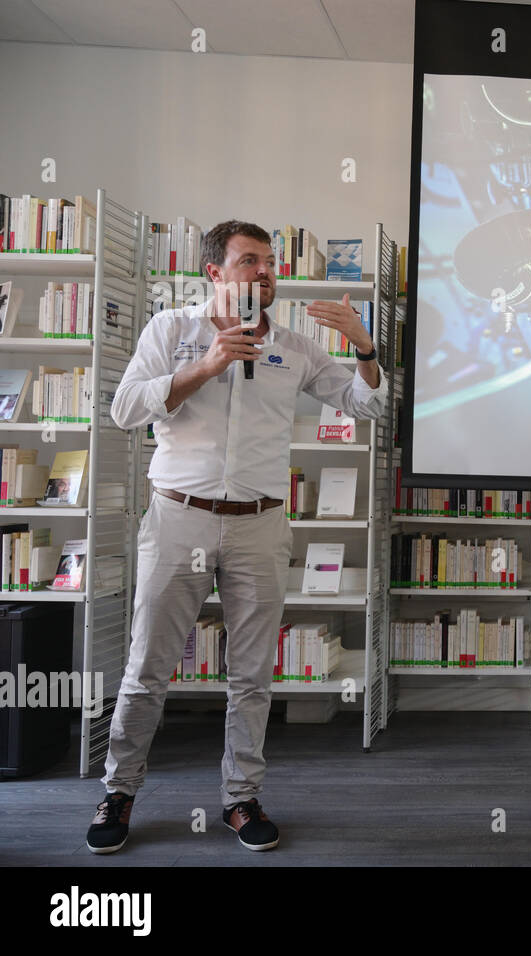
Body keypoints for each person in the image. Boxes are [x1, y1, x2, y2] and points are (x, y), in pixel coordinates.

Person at [87, 220, 388, 853]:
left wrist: (363, 346)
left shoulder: (297, 348)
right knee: (147, 667)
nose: (264, 272)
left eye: (270, 262)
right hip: (178, 517)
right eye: (249, 261)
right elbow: (124, 409)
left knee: (252, 674)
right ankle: (119, 792)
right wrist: (205, 365)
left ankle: (241, 799)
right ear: (215, 273)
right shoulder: (172, 331)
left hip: (260, 523)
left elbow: (365, 406)